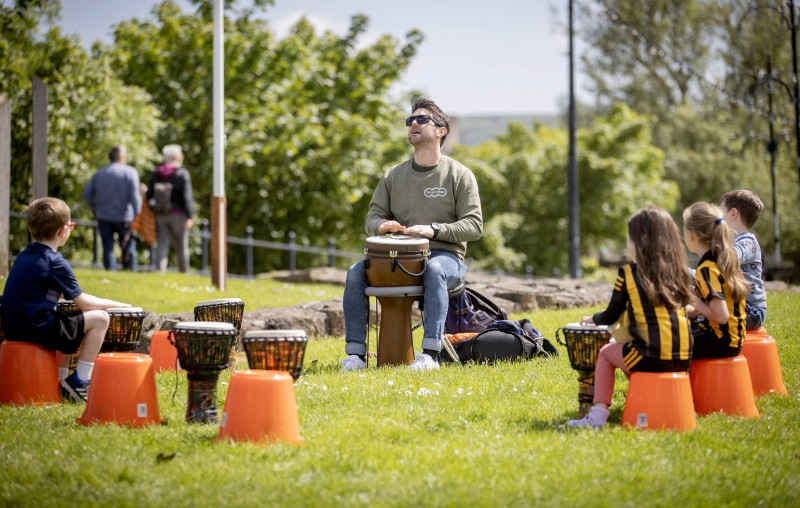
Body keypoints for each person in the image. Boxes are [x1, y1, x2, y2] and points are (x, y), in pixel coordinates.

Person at [341, 97, 483, 371]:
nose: (413, 124)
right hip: (396, 258)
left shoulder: (460, 175)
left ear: (441, 131)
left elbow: (474, 226)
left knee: (435, 268)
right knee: (355, 272)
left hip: (445, 257)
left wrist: (434, 230)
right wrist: (381, 226)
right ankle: (356, 356)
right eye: (410, 121)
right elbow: (372, 218)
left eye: (421, 119)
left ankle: (430, 354)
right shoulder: (393, 175)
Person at [567, 207, 694, 428]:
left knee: (607, 353)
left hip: (652, 355)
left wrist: (593, 319)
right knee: (630, 347)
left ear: (639, 241)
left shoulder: (628, 274)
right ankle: (648, 401)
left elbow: (611, 314)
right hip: (684, 357)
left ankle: (597, 417)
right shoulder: (679, 272)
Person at [0, 198, 131, 402]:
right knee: (100, 319)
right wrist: (117, 304)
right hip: (35, 329)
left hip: (12, 328)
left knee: (67, 320)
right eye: (71, 225)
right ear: (63, 231)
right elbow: (84, 303)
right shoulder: (55, 262)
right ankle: (80, 380)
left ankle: (61, 381)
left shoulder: (25, 255)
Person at [683, 202, 750, 359]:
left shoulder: (706, 269)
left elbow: (720, 316)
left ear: (692, 234)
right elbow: (710, 298)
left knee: (664, 340)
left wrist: (692, 300)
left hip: (719, 341)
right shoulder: (719, 260)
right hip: (732, 340)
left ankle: (680, 383)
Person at [83, 145, 141, 271]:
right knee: (128, 246)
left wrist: (95, 207)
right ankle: (130, 271)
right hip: (125, 217)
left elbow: (87, 194)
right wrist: (137, 214)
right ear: (123, 157)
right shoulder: (130, 172)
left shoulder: (99, 173)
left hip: (103, 216)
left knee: (107, 246)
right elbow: (134, 196)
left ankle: (110, 271)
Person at [719, 190, 766, 330]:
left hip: (752, 311)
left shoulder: (748, 243)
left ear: (733, 213)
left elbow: (730, 259)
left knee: (709, 303)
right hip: (739, 304)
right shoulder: (731, 243)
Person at [145, 144, 195, 273]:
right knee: (182, 247)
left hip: (161, 214)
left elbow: (149, 194)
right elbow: (187, 196)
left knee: (162, 244)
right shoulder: (182, 173)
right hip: (179, 215)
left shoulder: (157, 173)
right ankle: (184, 272)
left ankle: (159, 271)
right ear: (176, 156)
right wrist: (190, 216)